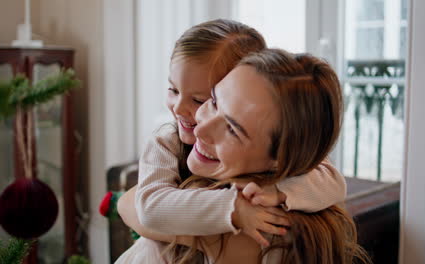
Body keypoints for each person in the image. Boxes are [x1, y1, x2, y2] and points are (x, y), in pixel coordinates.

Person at [117, 48, 370, 264]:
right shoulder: (291, 185)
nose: (200, 128)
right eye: (214, 101)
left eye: (232, 130)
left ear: (280, 160)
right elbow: (136, 206)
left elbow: (135, 208)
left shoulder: (256, 229)